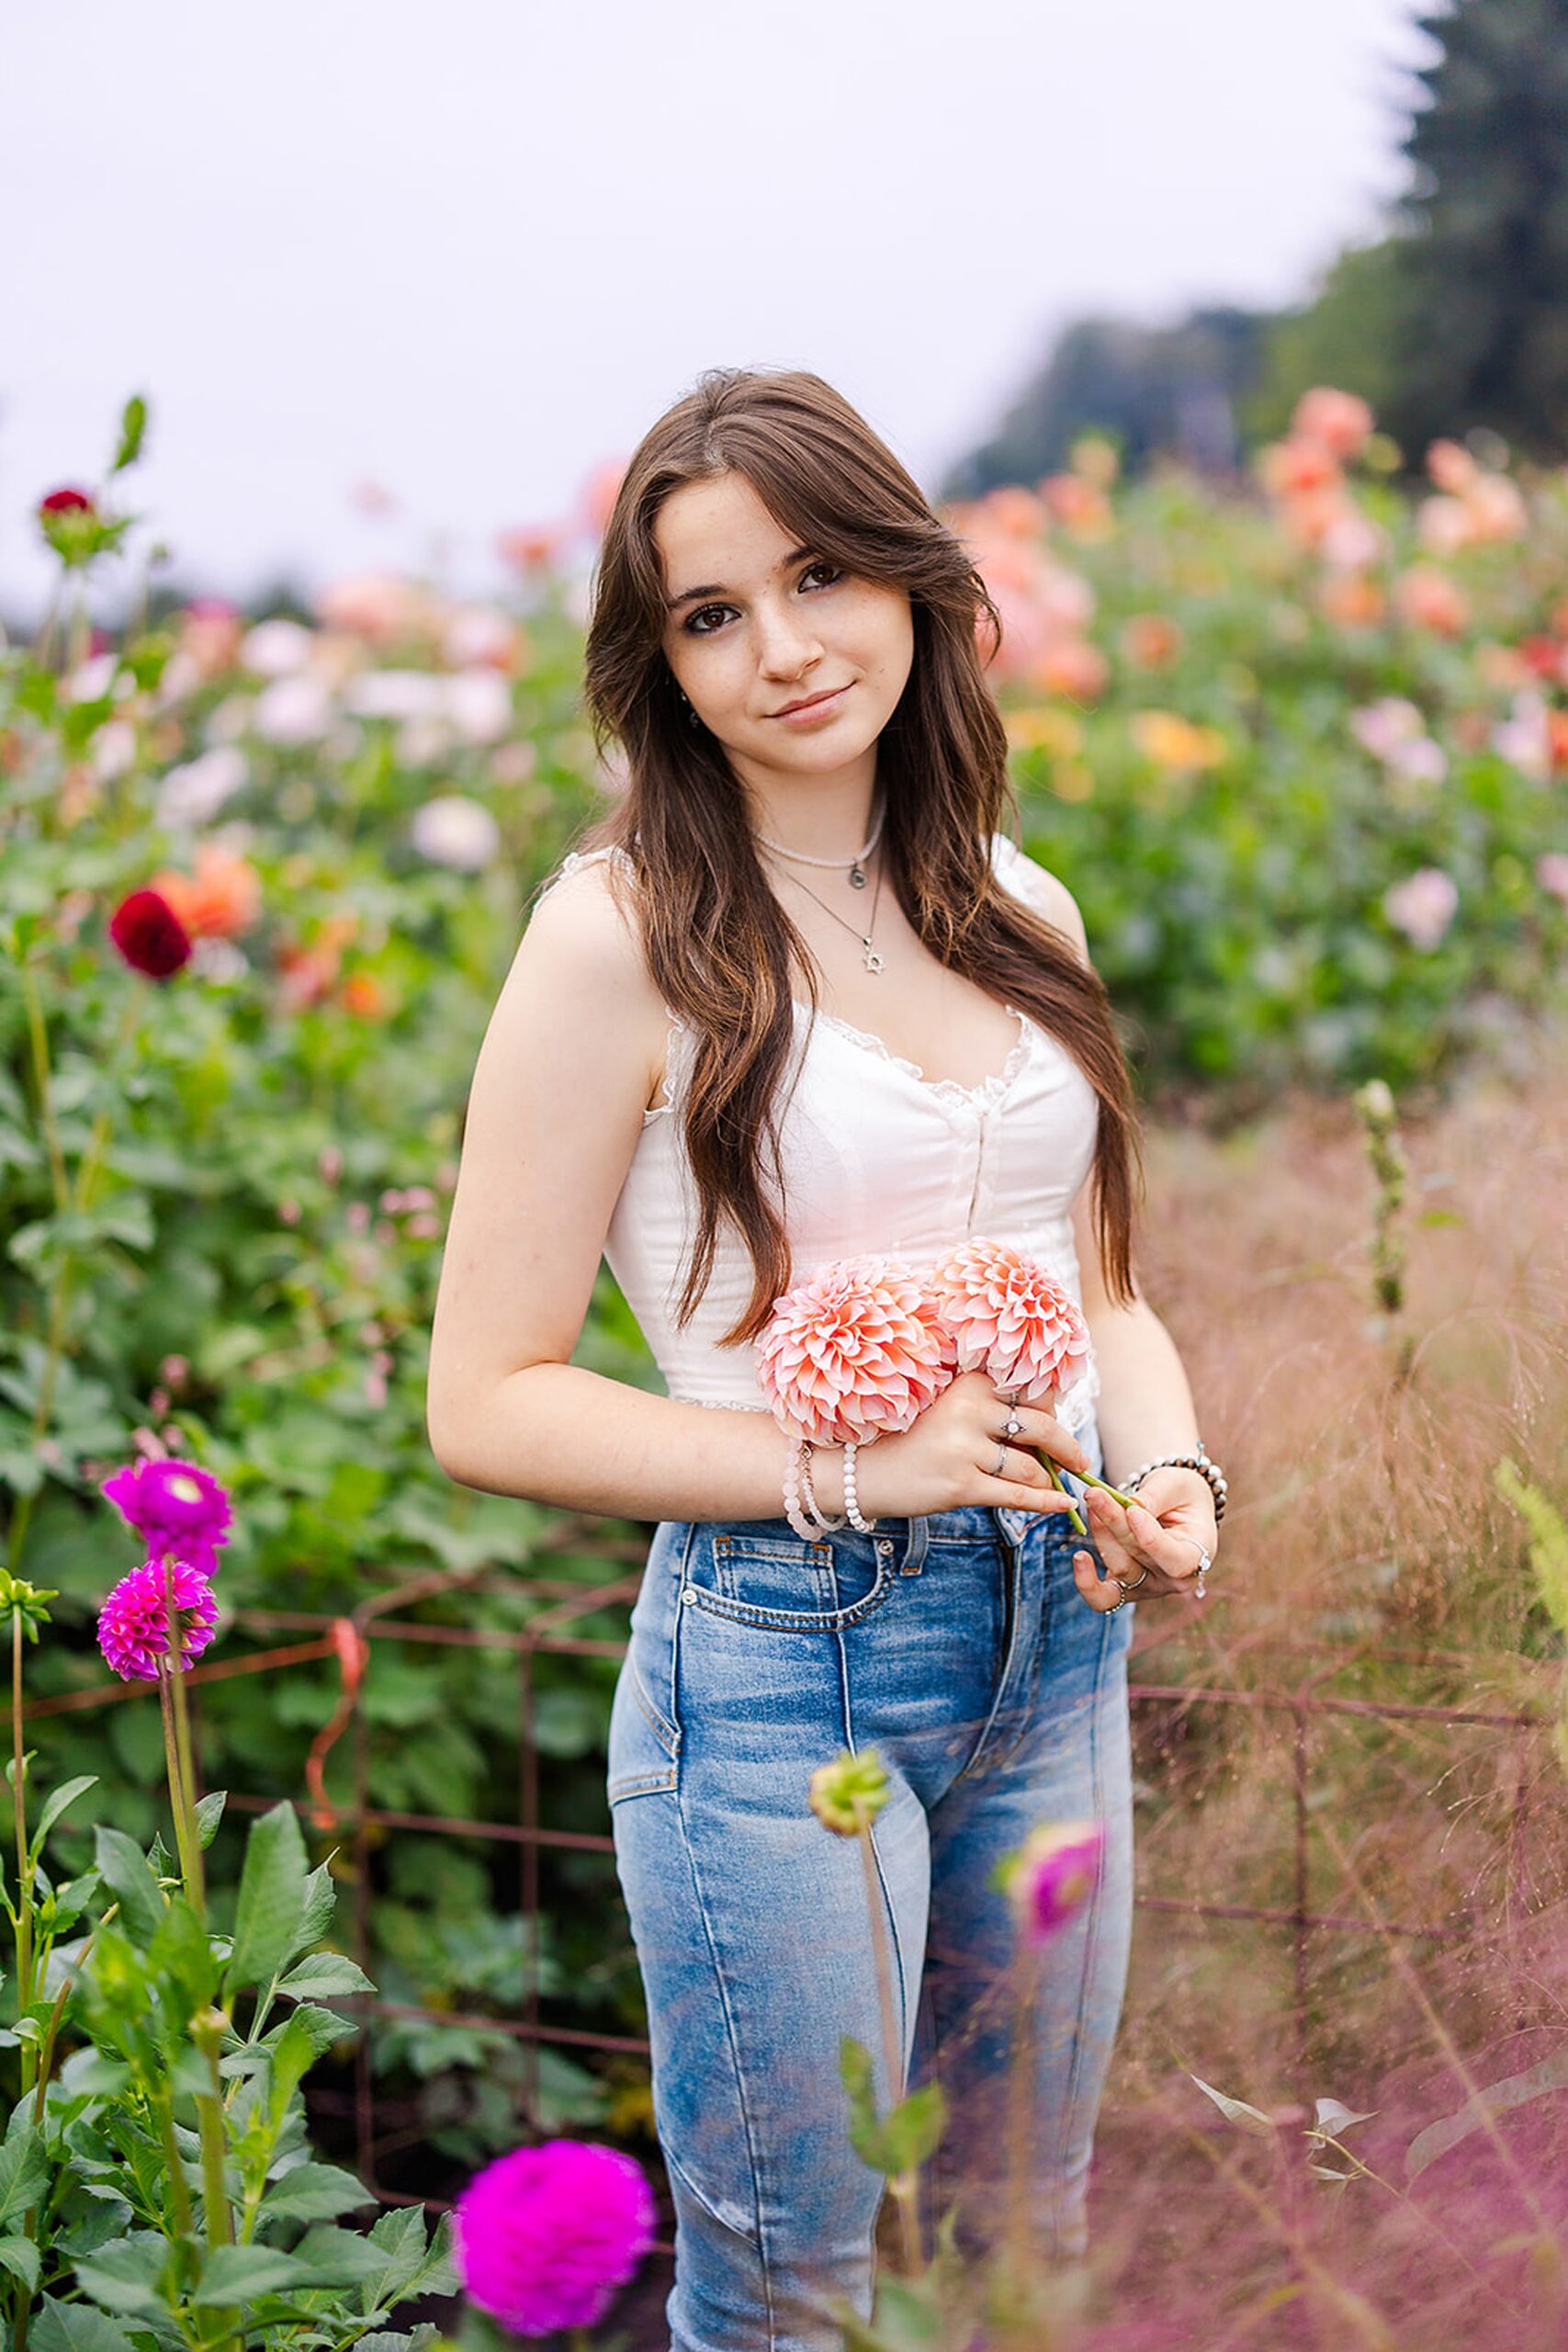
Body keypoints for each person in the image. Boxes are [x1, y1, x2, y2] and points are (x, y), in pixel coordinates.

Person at [426, 368, 1225, 2352]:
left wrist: (1180, 1478)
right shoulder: (616, 934)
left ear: (905, 579)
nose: (779, 648)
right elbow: (486, 1395)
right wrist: (849, 1470)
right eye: (708, 613)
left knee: (1009, 2244)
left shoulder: (1013, 900)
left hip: (1056, 1646)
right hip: (783, 1667)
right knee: (790, 2285)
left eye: (815, 575)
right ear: (662, 665)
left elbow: (1104, 1286)